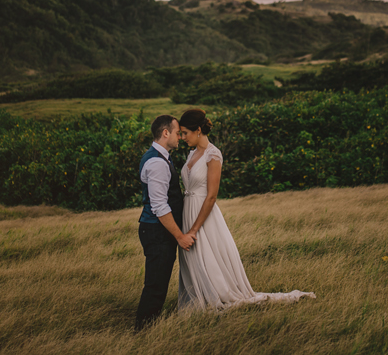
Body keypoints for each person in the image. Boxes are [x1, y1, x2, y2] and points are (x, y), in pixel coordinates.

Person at [176, 108, 315, 310]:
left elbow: (212, 196)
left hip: (203, 215)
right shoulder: (191, 154)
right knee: (193, 258)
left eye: (185, 133)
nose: (182, 137)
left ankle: (217, 295)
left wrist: (194, 229)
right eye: (180, 133)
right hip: (188, 211)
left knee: (208, 256)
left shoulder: (213, 155)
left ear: (198, 130)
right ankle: (198, 297)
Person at [135, 115, 195, 331]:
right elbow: (160, 206)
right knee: (156, 285)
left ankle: (146, 327)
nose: (180, 136)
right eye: (178, 132)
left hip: (157, 230)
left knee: (158, 283)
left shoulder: (161, 157)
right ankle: (143, 332)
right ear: (166, 133)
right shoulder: (157, 163)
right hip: (157, 232)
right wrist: (180, 236)